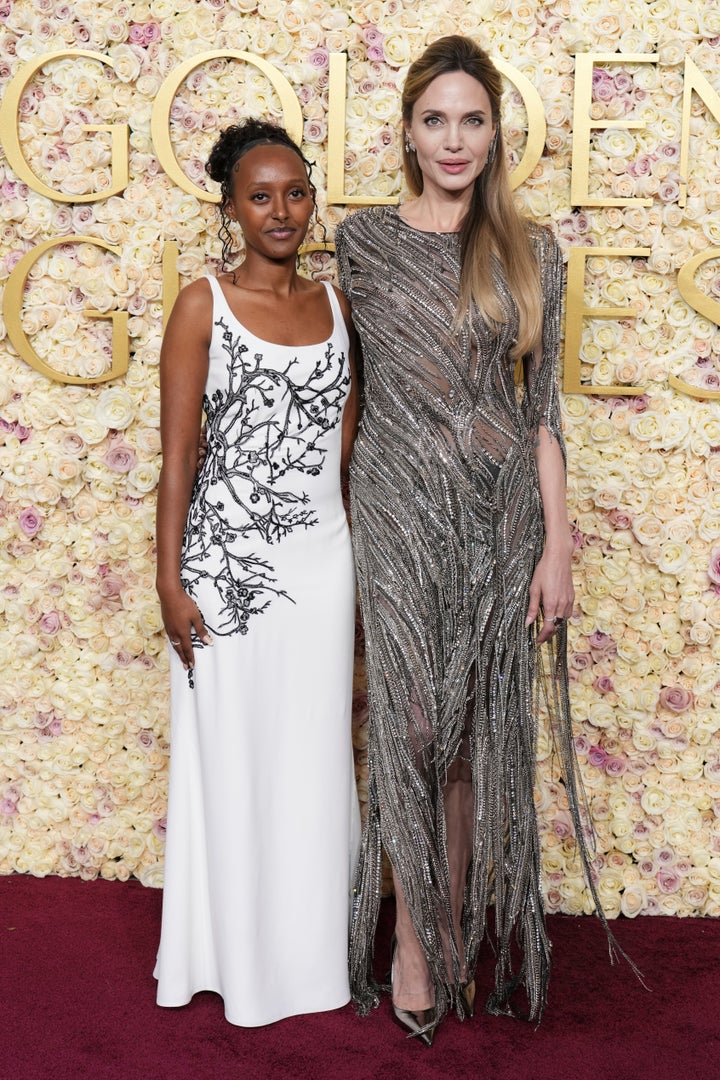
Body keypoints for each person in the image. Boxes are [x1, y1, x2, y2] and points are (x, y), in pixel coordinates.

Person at [335, 35, 623, 1044]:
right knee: (410, 728)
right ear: (408, 131)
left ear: (495, 131)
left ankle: (451, 935)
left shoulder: (527, 248)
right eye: (434, 120)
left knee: (464, 739)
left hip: (501, 518)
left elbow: (539, 410)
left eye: (471, 120)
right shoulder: (361, 243)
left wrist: (557, 546)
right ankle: (412, 941)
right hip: (398, 508)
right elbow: (337, 385)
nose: (453, 140)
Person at [154, 119, 360, 1026]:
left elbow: (343, 457)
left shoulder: (341, 307)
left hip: (322, 569)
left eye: (295, 192)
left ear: (311, 198)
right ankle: (229, 958)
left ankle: (313, 961)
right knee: (233, 762)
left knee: (313, 760)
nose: (281, 211)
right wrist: (170, 580)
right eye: (259, 196)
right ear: (230, 209)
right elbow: (180, 457)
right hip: (225, 574)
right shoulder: (203, 304)